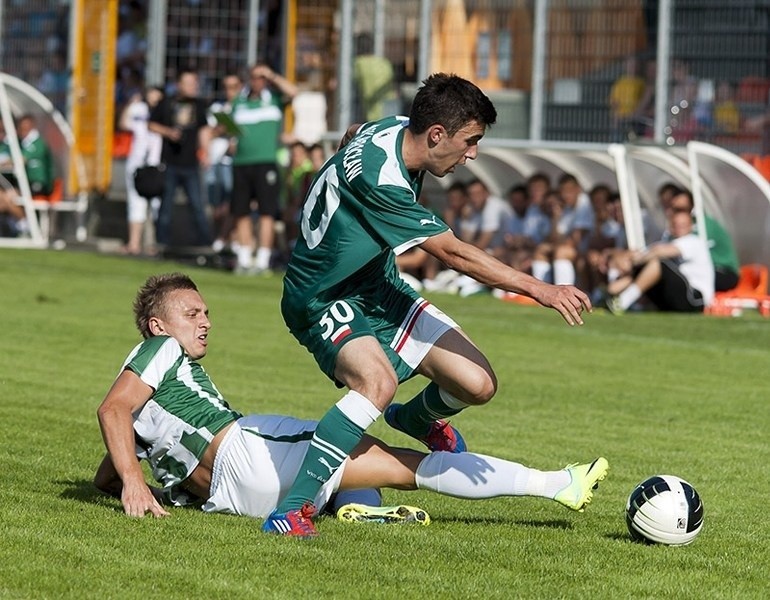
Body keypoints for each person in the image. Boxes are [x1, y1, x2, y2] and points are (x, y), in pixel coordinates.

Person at [269, 73, 592, 537]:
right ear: (437, 135)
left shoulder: (399, 127)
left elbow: (354, 134)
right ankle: (292, 509)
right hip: (323, 297)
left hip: (378, 286)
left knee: (478, 384)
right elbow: (454, 253)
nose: (473, 154)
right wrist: (541, 289)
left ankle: (414, 417)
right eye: (471, 141)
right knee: (375, 383)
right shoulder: (383, 181)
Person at [94, 273, 608, 534]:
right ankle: (556, 485)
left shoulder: (150, 396)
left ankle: (356, 513)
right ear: (158, 326)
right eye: (190, 313)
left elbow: (113, 455)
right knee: (400, 463)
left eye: (206, 311)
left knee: (350, 471)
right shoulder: (159, 350)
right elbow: (111, 410)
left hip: (231, 502)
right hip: (247, 452)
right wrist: (135, 486)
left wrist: (120, 480)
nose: (204, 321)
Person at [230, 63, 298, 274]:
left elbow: (294, 92)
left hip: (265, 161)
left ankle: (262, 259)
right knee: (241, 211)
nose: (257, 81)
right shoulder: (239, 102)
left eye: (261, 77)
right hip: (241, 162)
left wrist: (272, 74)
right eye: (255, 77)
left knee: (267, 211)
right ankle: (244, 257)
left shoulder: (274, 99)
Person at [148, 68, 213, 249]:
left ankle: (205, 243)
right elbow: (151, 124)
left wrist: (205, 153)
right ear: (179, 85)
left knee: (198, 205)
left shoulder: (199, 106)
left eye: (195, 83)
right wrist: (168, 132)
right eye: (190, 83)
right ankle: (162, 242)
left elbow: (203, 130)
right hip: (170, 163)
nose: (194, 87)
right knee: (166, 206)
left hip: (191, 163)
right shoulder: (167, 103)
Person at [605, 208, 714, 314]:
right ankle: (608, 297)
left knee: (659, 264)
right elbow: (642, 253)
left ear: (690, 226)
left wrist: (637, 260)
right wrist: (624, 258)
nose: (678, 227)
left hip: (695, 298)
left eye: (683, 225)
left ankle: (623, 301)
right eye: (676, 224)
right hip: (675, 296)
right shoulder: (668, 241)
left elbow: (660, 252)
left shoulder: (693, 241)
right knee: (643, 268)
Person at [120, 86, 164, 256]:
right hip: (137, 163)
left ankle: (152, 244)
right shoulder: (139, 110)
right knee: (135, 203)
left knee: (156, 205)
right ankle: (134, 243)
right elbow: (123, 124)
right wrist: (131, 104)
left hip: (156, 164)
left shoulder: (163, 114)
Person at [667, 189, 739, 292]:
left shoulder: (703, 226)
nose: (679, 213)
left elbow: (679, 249)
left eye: (682, 209)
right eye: (675, 209)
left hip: (723, 271)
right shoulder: (674, 228)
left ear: (691, 207)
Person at [206, 71, 243, 253]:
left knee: (231, 203)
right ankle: (219, 240)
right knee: (216, 206)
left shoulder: (244, 107)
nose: (230, 92)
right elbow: (210, 131)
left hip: (233, 162)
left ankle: (229, 240)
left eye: (234, 87)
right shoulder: (217, 107)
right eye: (227, 88)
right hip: (216, 160)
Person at [609, 55, 646, 142]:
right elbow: (613, 100)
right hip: (620, 117)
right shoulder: (619, 82)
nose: (632, 67)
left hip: (634, 118)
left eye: (634, 65)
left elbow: (642, 101)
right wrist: (617, 114)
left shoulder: (641, 83)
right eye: (630, 64)